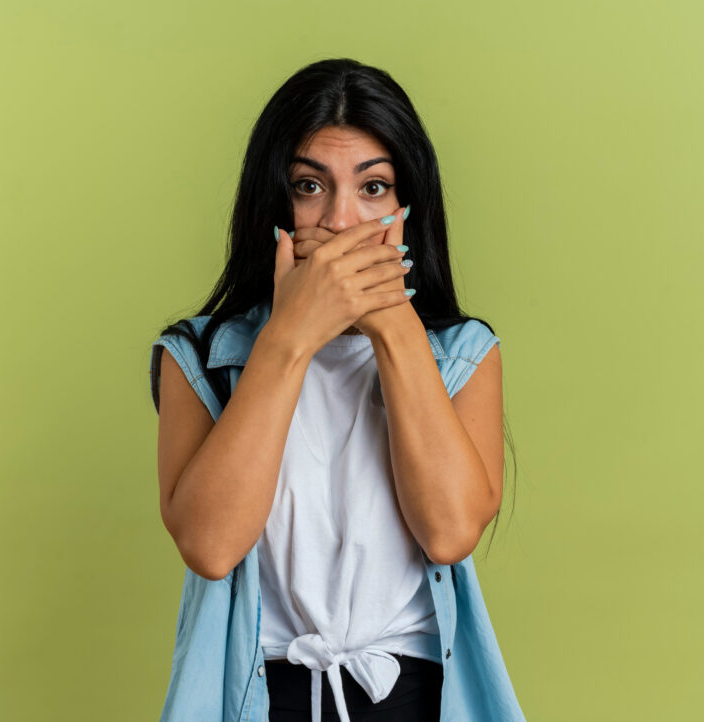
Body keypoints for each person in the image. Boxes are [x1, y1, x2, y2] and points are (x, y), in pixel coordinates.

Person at [149, 58, 527, 722]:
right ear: (275, 202)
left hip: (414, 698)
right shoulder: (200, 358)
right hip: (259, 697)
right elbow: (209, 546)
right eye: (309, 185)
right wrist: (290, 336)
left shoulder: (464, 355)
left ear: (408, 207)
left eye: (374, 187)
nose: (342, 220)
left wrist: (394, 327)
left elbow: (448, 533)